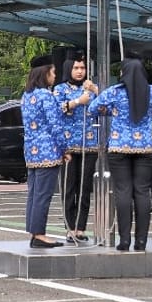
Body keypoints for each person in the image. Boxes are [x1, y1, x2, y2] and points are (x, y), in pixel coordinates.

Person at [87, 56, 152, 251]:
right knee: (142, 192)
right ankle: (141, 241)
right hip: (145, 146)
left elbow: (93, 108)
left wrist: (113, 111)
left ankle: (125, 240)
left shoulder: (114, 92)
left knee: (123, 192)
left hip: (119, 146)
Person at [21, 54, 68, 249]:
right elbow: (55, 125)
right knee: (43, 195)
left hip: (31, 151)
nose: (55, 76)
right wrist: (64, 148)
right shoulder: (46, 96)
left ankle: (34, 231)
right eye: (53, 72)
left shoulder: (26, 96)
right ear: (45, 73)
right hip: (48, 151)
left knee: (34, 193)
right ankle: (39, 234)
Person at [54, 51, 99, 244]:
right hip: (68, 146)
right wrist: (77, 102)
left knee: (84, 189)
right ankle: (69, 228)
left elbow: (105, 106)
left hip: (89, 145)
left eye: (82, 68)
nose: (80, 71)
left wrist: (95, 90)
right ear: (69, 69)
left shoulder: (90, 88)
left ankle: (80, 228)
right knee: (69, 188)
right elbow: (56, 109)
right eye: (76, 68)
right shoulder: (60, 89)